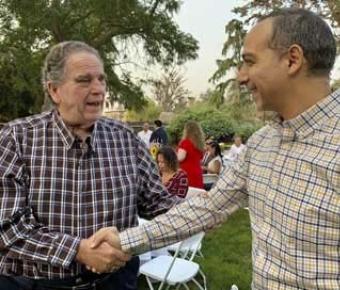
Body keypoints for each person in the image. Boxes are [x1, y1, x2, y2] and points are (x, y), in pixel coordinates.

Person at [95, 8, 338, 289]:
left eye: (250, 62)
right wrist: (123, 241)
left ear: (292, 60)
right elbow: (208, 208)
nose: (241, 77)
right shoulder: (260, 144)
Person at [0, 41, 179, 290]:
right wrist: (79, 251)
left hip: (115, 282)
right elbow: (7, 226)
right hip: (36, 283)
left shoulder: (125, 138)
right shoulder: (16, 138)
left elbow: (158, 204)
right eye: (84, 80)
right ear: (54, 90)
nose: (99, 90)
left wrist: (210, 205)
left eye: (101, 79)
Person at [177, 121, 205, 188]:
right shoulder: (199, 145)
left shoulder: (185, 142)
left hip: (187, 173)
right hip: (197, 172)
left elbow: (180, 158)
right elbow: (200, 159)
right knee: (196, 195)